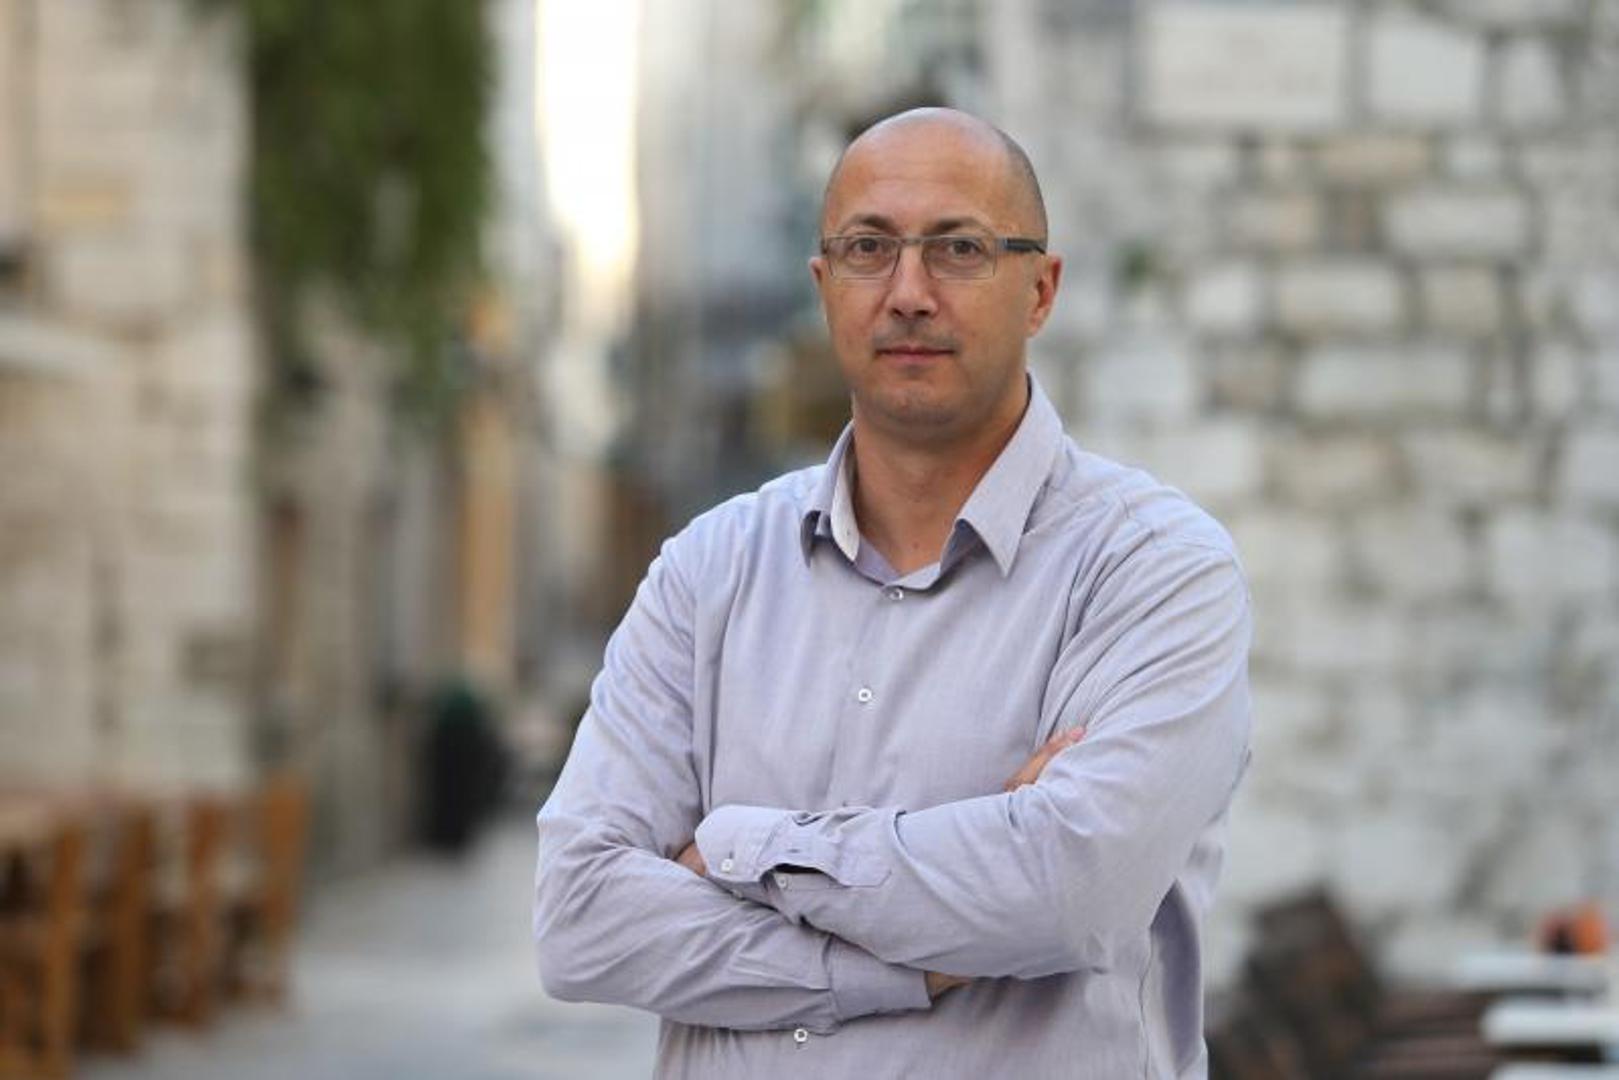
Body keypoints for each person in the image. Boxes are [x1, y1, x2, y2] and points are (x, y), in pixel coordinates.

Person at [533, 107, 1251, 1079]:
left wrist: (739, 844)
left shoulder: (1152, 571)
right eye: (868, 248)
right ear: (823, 285)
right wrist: (907, 960)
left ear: (1040, 291)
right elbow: (579, 919)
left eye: (958, 249)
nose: (908, 293)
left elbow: (1070, 892)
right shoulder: (708, 570)